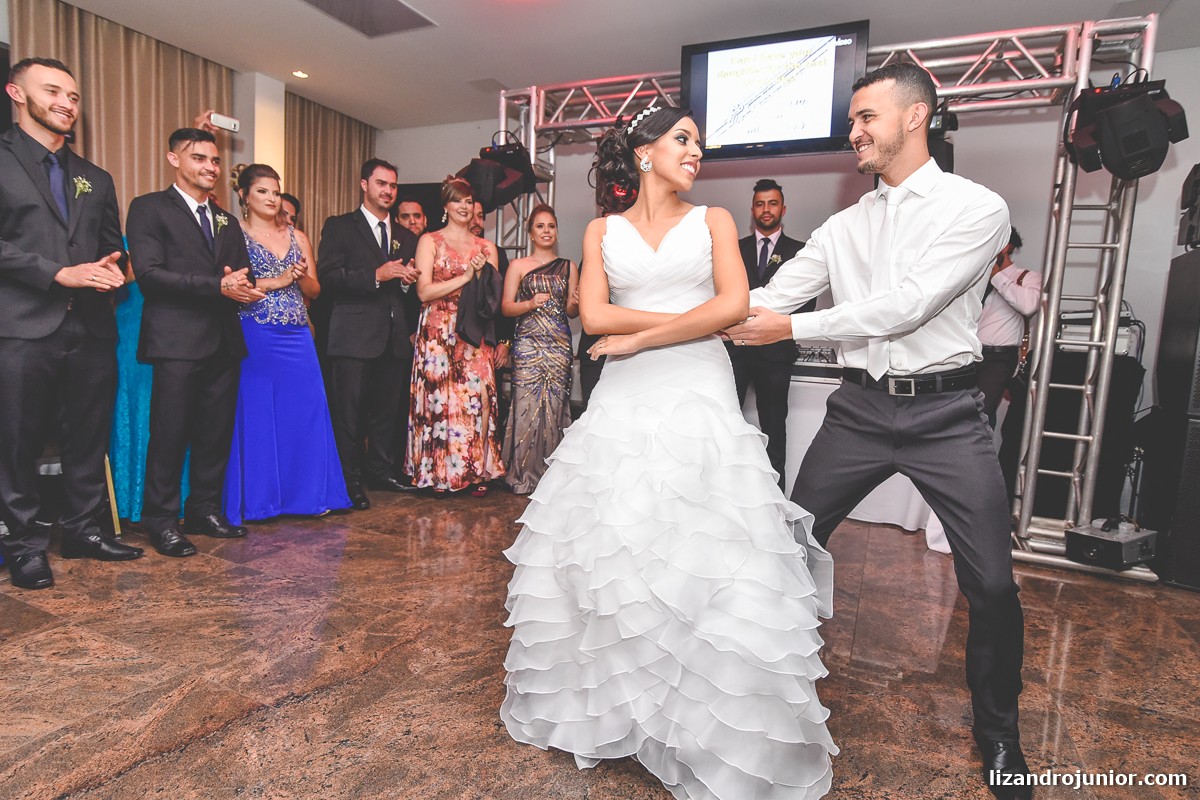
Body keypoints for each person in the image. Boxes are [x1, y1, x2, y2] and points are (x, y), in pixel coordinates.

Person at [501, 106, 836, 799]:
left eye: (699, 144)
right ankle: (616, 702)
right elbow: (597, 316)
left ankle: (707, 718)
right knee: (616, 532)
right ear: (644, 152)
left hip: (696, 383)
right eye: (683, 139)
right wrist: (685, 323)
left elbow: (735, 304)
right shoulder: (601, 230)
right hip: (627, 388)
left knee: (704, 531)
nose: (695, 153)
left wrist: (642, 336)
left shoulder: (713, 220)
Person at [724, 63, 1031, 799]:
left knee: (992, 583)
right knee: (790, 548)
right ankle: (761, 697)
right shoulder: (843, 226)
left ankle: (999, 732)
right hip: (859, 410)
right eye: (853, 120)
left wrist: (789, 329)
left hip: (948, 415)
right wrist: (681, 323)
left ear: (915, 116)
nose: (854, 131)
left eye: (866, 117)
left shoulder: (977, 207)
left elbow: (908, 305)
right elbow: (772, 295)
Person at [0, 57, 143, 589]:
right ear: (16, 93)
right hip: (21, 326)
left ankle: (84, 530)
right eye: (53, 91)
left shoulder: (95, 177)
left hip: (91, 327)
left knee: (87, 436)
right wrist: (56, 273)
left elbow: (110, 247)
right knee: (17, 442)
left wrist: (114, 269)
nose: (66, 103)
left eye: (74, 96)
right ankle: (23, 545)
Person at [126, 127, 263, 557]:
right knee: (169, 434)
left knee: (214, 434)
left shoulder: (226, 220)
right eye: (199, 158)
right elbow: (149, 275)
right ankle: (161, 520)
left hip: (223, 340)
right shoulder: (149, 207)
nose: (210, 167)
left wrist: (245, 288)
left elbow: (242, 272)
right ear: (174, 159)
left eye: (215, 160)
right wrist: (217, 286)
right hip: (176, 340)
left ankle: (204, 510)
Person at [220, 164, 349, 523]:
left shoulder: (298, 236)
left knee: (306, 412)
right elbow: (229, 283)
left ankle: (307, 496)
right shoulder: (233, 233)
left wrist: (300, 276)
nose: (271, 198)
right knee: (259, 414)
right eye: (262, 191)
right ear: (244, 195)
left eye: (275, 192)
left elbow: (315, 290)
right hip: (255, 330)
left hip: (296, 334)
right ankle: (260, 502)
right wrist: (276, 280)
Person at [318, 158, 420, 510]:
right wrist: (376, 275)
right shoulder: (340, 227)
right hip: (353, 336)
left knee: (386, 413)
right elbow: (328, 278)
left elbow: (408, 291)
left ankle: (381, 472)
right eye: (381, 184)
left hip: (393, 338)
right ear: (364, 185)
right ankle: (348, 482)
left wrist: (406, 282)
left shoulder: (407, 236)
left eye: (392, 185)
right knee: (349, 416)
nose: (388, 191)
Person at [407, 177, 505, 496]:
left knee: (479, 399)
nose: (464, 206)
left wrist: (481, 275)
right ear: (445, 206)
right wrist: (465, 277)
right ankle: (440, 473)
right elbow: (423, 292)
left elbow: (491, 300)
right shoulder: (430, 241)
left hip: (474, 330)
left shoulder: (486, 248)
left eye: (468, 201)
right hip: (438, 330)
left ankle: (477, 471)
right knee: (441, 402)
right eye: (457, 200)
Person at [727, 178, 813, 485]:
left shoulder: (800, 251)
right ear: (752, 210)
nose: (766, 209)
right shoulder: (734, 249)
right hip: (734, 352)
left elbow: (805, 304)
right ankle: (730, 489)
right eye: (760, 204)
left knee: (774, 427)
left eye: (772, 203)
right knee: (727, 423)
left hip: (776, 354)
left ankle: (776, 497)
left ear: (783, 209)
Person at [499, 203, 578, 495]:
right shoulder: (518, 266)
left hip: (559, 346)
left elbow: (571, 312)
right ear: (531, 233)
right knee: (526, 408)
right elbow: (506, 307)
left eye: (551, 226)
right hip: (528, 344)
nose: (547, 231)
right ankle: (523, 472)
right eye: (540, 226)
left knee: (555, 408)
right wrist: (530, 304)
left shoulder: (569, 266)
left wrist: (575, 302)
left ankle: (551, 475)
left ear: (556, 231)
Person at [978, 228, 1040, 427]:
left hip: (998, 357)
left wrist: (996, 276)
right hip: (967, 354)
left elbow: (1028, 306)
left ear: (1005, 247)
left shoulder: (1028, 277)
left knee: (979, 415)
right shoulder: (976, 279)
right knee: (963, 413)